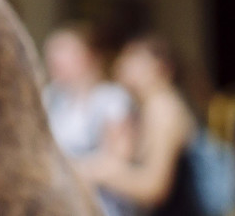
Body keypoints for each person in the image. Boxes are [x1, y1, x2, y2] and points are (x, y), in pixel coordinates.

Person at [81, 34, 202, 216]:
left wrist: (103, 173)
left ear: (160, 67)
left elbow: (155, 188)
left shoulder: (164, 109)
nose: (121, 64)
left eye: (133, 59)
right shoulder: (143, 108)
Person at [43, 24, 137, 216]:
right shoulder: (51, 97)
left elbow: (118, 159)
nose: (55, 60)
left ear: (87, 56)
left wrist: (66, 172)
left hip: (99, 204)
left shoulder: (111, 99)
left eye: (63, 52)